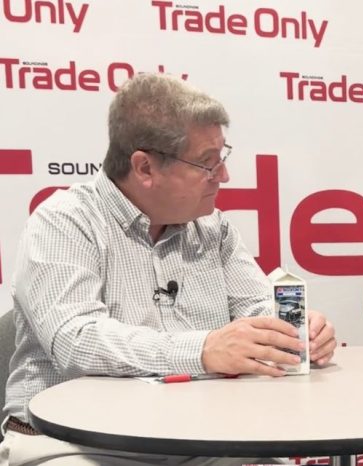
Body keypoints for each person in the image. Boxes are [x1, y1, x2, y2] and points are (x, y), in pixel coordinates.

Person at [0, 73, 336, 465]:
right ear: (145, 167)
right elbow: (76, 341)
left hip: (200, 442)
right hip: (73, 444)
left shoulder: (213, 228)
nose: (223, 176)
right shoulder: (64, 221)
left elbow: (257, 309)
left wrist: (293, 332)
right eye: (207, 163)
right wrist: (203, 350)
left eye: (222, 158)